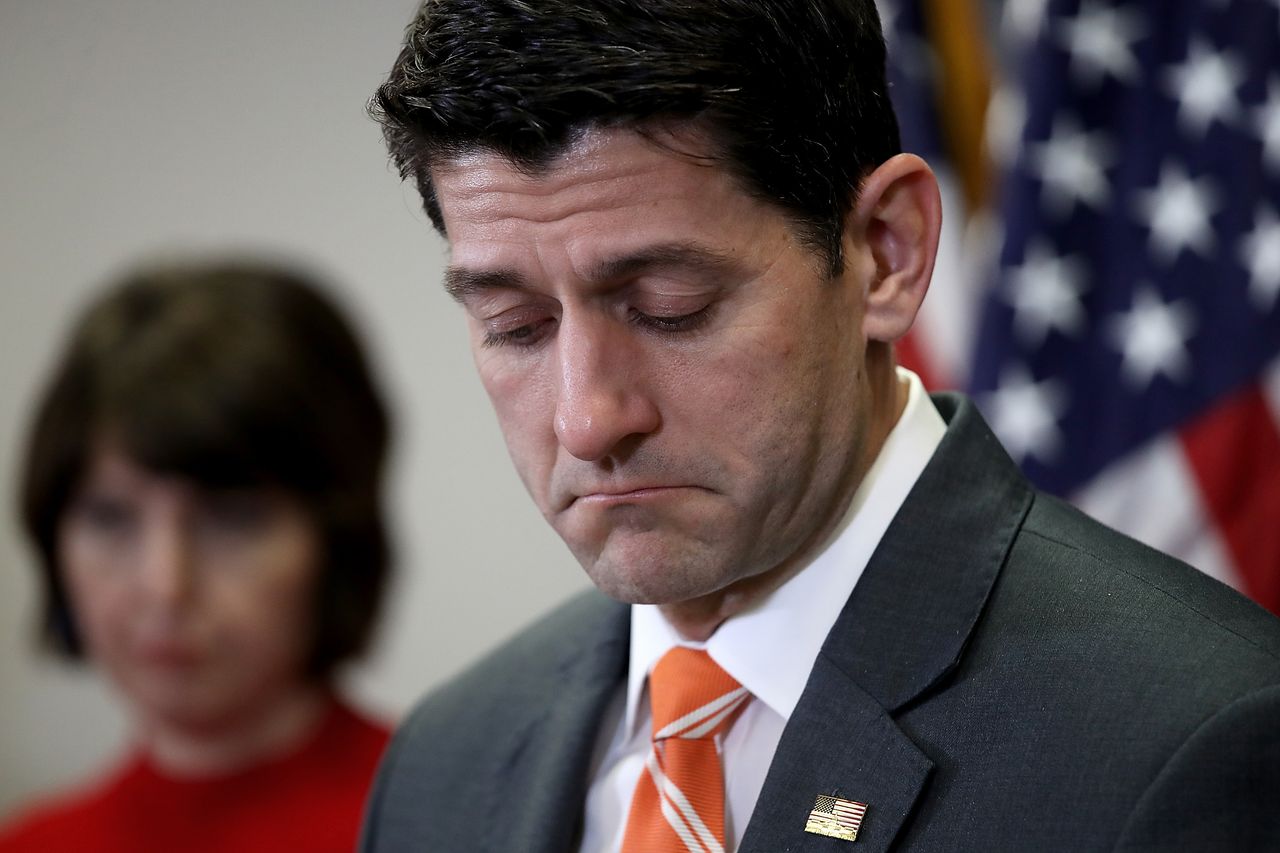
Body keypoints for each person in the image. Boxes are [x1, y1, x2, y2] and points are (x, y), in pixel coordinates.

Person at [362, 1, 1280, 851]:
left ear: (886, 251)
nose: (588, 418)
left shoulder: (1192, 743)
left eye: (669, 305)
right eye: (515, 326)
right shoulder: (442, 761)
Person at [0, 261, 394, 853]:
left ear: (335, 536)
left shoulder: (463, 814)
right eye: (111, 518)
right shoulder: (33, 843)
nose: (164, 584)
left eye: (231, 519)